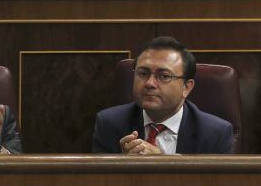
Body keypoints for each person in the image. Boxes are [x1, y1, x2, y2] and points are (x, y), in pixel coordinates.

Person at [92, 36, 233, 155]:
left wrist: (163, 162)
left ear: (186, 87)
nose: (150, 83)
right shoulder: (109, 124)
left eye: (164, 76)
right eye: (143, 73)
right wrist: (121, 165)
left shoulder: (215, 134)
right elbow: (97, 185)